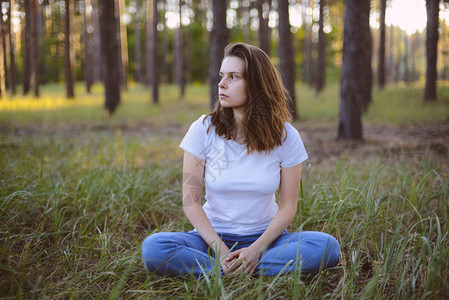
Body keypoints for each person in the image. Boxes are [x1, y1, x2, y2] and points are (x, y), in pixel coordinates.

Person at [142, 42, 340, 277]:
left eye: (233, 77)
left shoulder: (287, 137)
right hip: (210, 240)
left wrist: (256, 249)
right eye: (222, 76)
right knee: (154, 248)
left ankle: (228, 271)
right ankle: (239, 269)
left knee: (326, 247)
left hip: (267, 240)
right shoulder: (202, 129)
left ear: (256, 84)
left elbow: (288, 206)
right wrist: (222, 251)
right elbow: (190, 201)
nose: (221, 84)